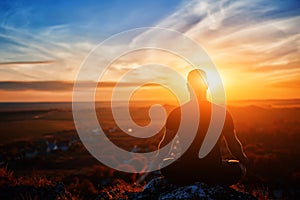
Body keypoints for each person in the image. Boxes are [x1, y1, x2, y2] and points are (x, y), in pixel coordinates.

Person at [159, 69, 248, 186]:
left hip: (186, 172)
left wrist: (160, 162)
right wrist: (245, 161)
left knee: (166, 164)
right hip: (213, 172)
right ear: (207, 85)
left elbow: (165, 145)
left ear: (187, 86)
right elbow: (233, 144)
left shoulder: (176, 113)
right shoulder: (222, 113)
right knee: (239, 167)